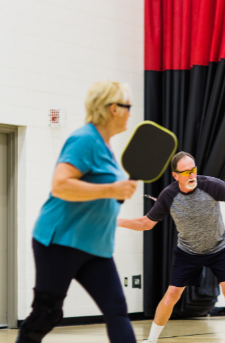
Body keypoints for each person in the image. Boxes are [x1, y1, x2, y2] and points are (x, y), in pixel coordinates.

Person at [17, 80, 138, 343]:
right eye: (128, 106)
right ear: (113, 108)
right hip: (60, 242)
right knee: (46, 313)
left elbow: (100, 195)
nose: (131, 112)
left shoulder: (107, 147)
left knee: (117, 310)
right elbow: (60, 185)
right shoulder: (84, 139)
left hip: (96, 248)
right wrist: (112, 190)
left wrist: (117, 195)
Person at [117, 152, 225, 343]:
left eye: (193, 170)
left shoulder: (212, 185)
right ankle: (151, 339)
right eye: (186, 171)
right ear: (175, 175)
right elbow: (146, 223)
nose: (191, 175)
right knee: (172, 294)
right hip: (188, 252)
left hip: (220, 247)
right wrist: (118, 221)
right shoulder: (168, 195)